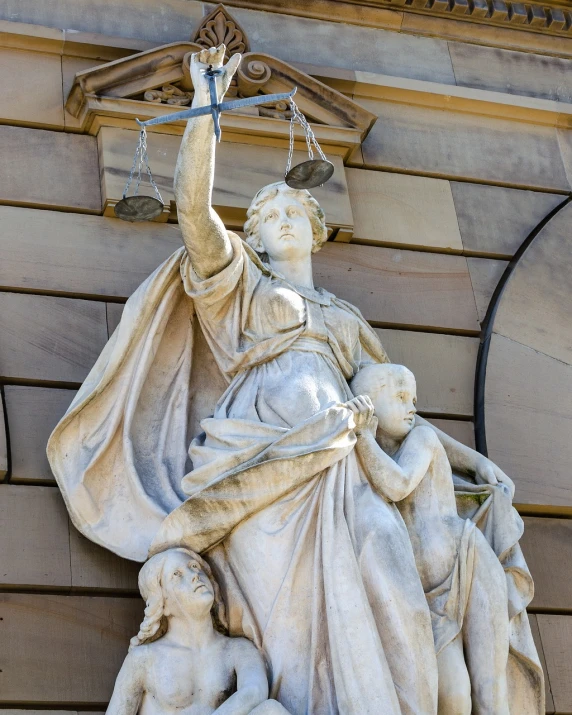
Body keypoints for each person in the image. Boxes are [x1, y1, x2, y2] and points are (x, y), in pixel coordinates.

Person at [48, 44, 537, 715]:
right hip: (261, 470)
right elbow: (195, 215)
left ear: (314, 228)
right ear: (258, 237)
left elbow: (401, 419)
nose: (282, 222)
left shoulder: (347, 317)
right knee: (291, 629)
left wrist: (469, 463)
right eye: (269, 217)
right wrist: (203, 111)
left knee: (389, 567)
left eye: (292, 214)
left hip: (349, 460)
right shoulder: (243, 288)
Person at [349, 364, 511, 714]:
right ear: (371, 402)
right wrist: (362, 437)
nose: (412, 408)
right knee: (451, 697)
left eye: (414, 399)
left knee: (490, 692)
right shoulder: (360, 459)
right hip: (427, 599)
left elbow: (398, 483)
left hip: (467, 566)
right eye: (401, 397)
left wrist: (362, 437)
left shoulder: (420, 439)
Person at [107, 547, 289, 715]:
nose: (194, 575)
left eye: (194, 566)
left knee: (271, 711)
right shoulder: (144, 659)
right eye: (177, 575)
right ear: (163, 603)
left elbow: (255, 691)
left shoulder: (238, 650)